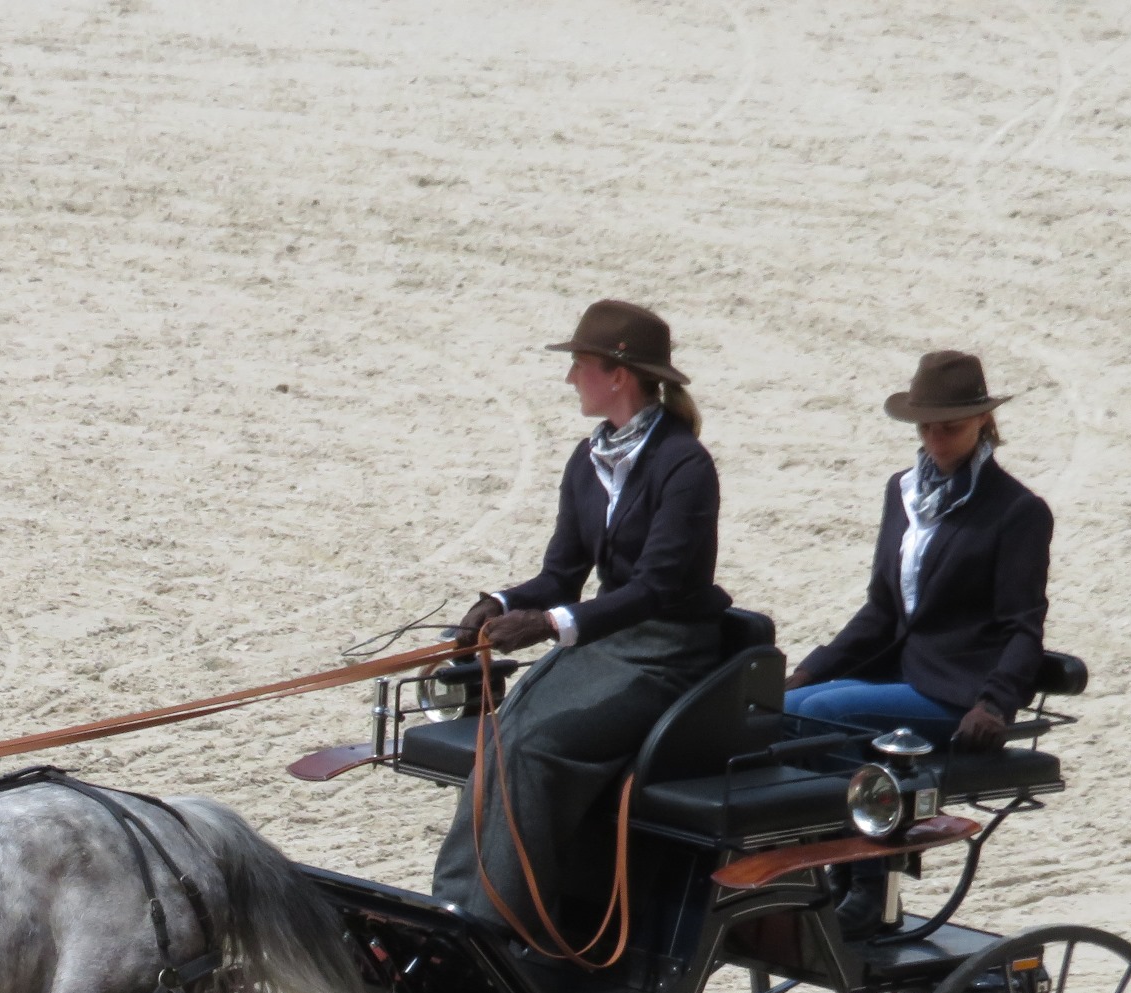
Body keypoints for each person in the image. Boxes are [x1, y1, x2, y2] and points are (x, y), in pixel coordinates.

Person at [431, 299, 731, 954]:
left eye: (580, 366)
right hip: (604, 640)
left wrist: (550, 623)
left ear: (617, 374)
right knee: (501, 733)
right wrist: (499, 601)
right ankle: (455, 906)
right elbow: (561, 572)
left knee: (532, 750)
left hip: (667, 654)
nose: (571, 379)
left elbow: (658, 587)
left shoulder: (684, 466)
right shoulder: (587, 459)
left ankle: (503, 929)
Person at [783, 350, 1052, 750]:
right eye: (925, 428)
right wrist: (808, 671)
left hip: (956, 690)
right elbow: (881, 610)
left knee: (825, 711)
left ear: (982, 420)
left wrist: (994, 704)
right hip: (896, 672)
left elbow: (1022, 628)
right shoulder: (902, 492)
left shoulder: (1016, 511)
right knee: (782, 708)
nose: (935, 440)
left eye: (950, 428)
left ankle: (858, 810)